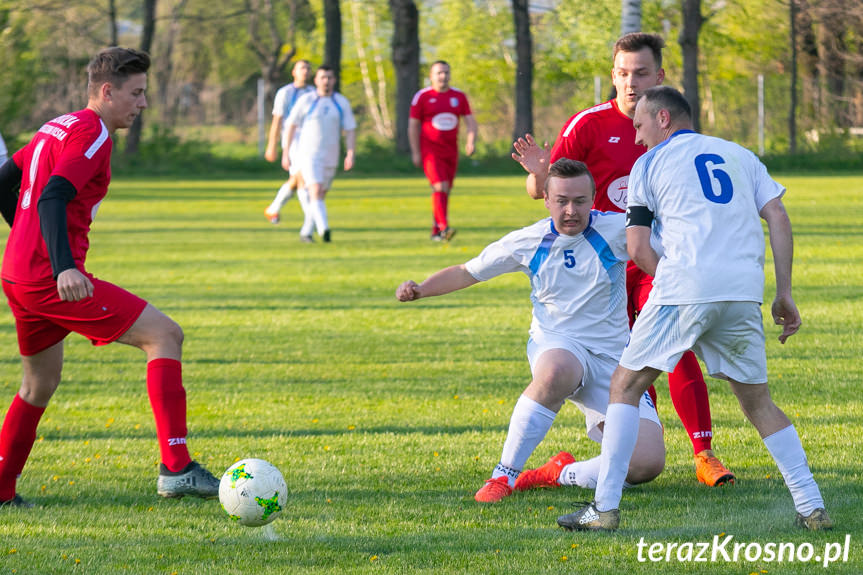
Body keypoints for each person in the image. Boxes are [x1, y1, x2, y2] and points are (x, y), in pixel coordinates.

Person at [558, 86, 832, 531]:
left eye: (641, 124)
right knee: (759, 402)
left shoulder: (647, 164)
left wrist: (675, 282)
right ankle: (811, 506)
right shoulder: (740, 154)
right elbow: (778, 216)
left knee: (625, 387)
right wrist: (784, 291)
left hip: (684, 285)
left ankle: (604, 509)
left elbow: (637, 247)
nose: (637, 134)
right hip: (743, 291)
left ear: (664, 118)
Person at [0, 47, 220, 508]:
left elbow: (5, 179)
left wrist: (23, 239)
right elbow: (54, 195)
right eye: (136, 93)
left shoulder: (56, 125)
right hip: (47, 277)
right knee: (165, 335)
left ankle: (0, 488)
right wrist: (62, 266)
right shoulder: (94, 133)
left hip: (18, 274)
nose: (142, 104)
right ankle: (176, 469)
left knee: (38, 385)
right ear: (107, 91)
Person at [515, 32, 734, 488]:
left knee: (673, 342)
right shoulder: (587, 125)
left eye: (641, 73)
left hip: (656, 258)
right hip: (604, 271)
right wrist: (538, 176)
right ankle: (623, 447)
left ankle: (704, 453)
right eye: (622, 73)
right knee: (630, 357)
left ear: (660, 76)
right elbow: (551, 192)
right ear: (612, 74)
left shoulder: (673, 127)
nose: (630, 83)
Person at [396, 159, 665, 503]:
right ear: (547, 199)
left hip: (614, 359)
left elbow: (668, 245)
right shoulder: (528, 240)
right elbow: (467, 271)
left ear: (594, 199)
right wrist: (420, 289)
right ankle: (503, 476)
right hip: (557, 344)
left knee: (646, 464)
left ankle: (560, 472)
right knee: (557, 370)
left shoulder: (616, 230)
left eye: (580, 201)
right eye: (562, 201)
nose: (571, 210)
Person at [283, 65, 356, 243]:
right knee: (314, 190)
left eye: (329, 78)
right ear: (316, 80)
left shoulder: (340, 102)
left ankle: (306, 232)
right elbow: (291, 125)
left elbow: (350, 129)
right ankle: (324, 229)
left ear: (334, 80)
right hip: (308, 154)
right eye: (322, 77)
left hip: (330, 155)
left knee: (320, 195)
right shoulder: (307, 101)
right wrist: (286, 152)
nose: (326, 81)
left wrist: (350, 153)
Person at [409, 60, 478, 242]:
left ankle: (436, 231)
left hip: (451, 151)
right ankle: (444, 227)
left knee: (445, 190)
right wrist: (415, 151)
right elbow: (413, 125)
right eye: (439, 73)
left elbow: (470, 121)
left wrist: (471, 141)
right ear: (431, 76)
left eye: (446, 72)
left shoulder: (458, 96)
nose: (443, 76)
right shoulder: (422, 97)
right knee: (440, 186)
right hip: (430, 151)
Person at [263, 59, 314, 228]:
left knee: (297, 179)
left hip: (311, 141)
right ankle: (311, 219)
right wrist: (272, 145)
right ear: (294, 72)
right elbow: (277, 120)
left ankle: (273, 208)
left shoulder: (313, 92)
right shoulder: (285, 93)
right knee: (301, 178)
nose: (305, 71)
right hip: (292, 142)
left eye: (307, 68)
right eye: (301, 68)